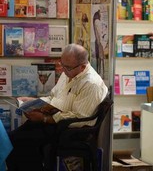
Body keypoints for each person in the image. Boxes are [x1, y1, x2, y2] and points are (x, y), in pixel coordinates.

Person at [6, 43, 108, 171]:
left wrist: (44, 118)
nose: (63, 71)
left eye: (68, 68)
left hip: (71, 130)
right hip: (55, 121)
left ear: (83, 67)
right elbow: (53, 97)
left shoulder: (91, 84)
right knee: (10, 139)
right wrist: (34, 102)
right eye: (62, 65)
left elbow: (80, 118)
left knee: (21, 142)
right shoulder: (69, 72)